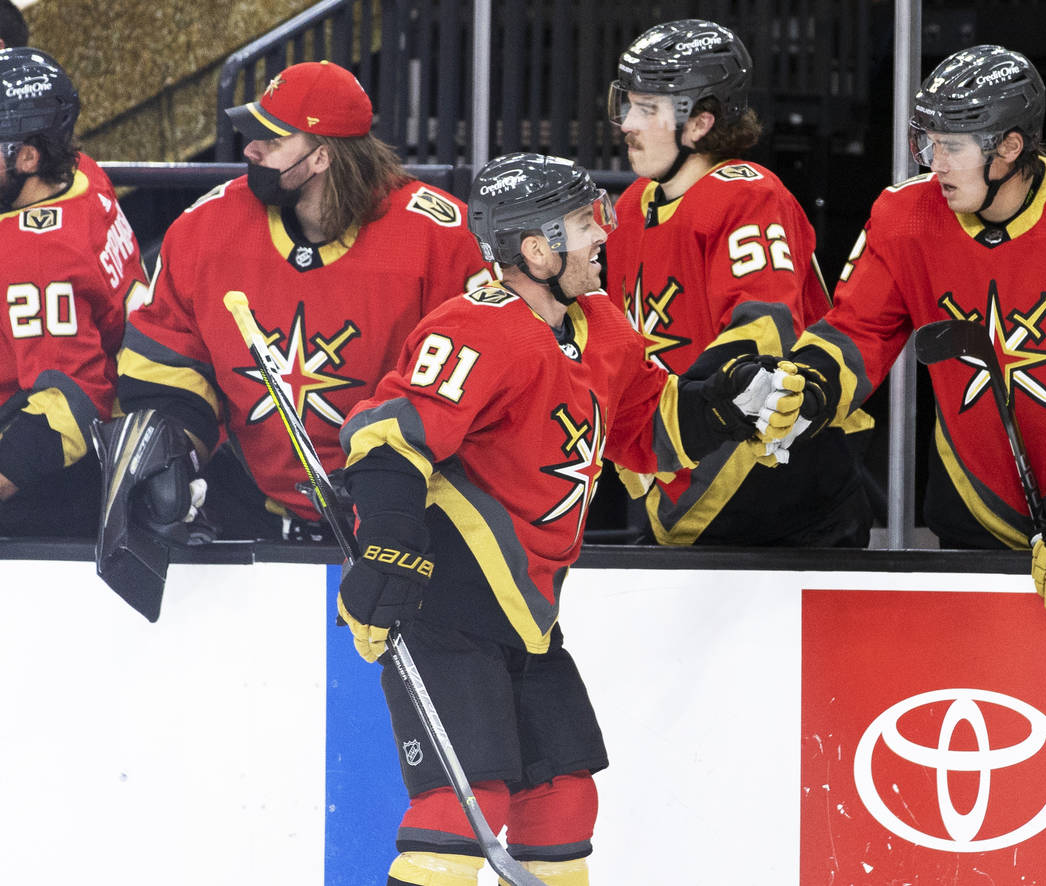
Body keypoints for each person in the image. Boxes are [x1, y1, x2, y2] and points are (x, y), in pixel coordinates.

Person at [335, 152, 801, 885]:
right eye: (584, 224)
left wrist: (729, 400)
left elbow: (651, 428)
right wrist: (387, 547)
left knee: (562, 798)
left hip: (530, 616)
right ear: (535, 248)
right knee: (467, 805)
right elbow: (387, 437)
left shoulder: (602, 327)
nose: (601, 236)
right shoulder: (475, 326)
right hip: (448, 606)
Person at [780, 45, 1046, 614]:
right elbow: (856, 329)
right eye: (928, 142)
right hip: (974, 518)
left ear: (1010, 147)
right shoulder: (904, 215)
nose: (935, 163)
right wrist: (804, 385)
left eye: (952, 146)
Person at [108, 60, 494, 544]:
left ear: (321, 157)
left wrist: (393, 481)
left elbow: (486, 378)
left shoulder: (441, 238)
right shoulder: (205, 230)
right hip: (247, 511)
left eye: (271, 140)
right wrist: (171, 451)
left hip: (405, 521)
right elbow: (165, 354)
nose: (250, 149)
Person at [604, 19, 874, 547]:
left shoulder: (747, 194)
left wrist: (685, 420)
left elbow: (764, 335)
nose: (627, 123)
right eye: (628, 103)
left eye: (648, 108)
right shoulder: (634, 205)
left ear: (701, 122)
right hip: (686, 472)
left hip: (785, 492)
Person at [0, 47, 147, 537]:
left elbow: (69, 404)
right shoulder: (82, 172)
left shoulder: (35, 258)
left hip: (46, 491)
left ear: (27, 156)